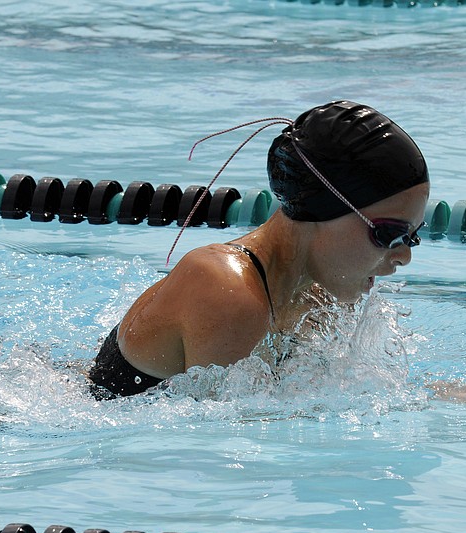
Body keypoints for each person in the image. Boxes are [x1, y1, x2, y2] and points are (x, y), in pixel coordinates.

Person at [87, 100, 430, 398]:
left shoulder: (323, 295)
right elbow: (222, 440)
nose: (405, 256)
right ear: (324, 210)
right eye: (389, 235)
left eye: (413, 237)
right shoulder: (225, 289)